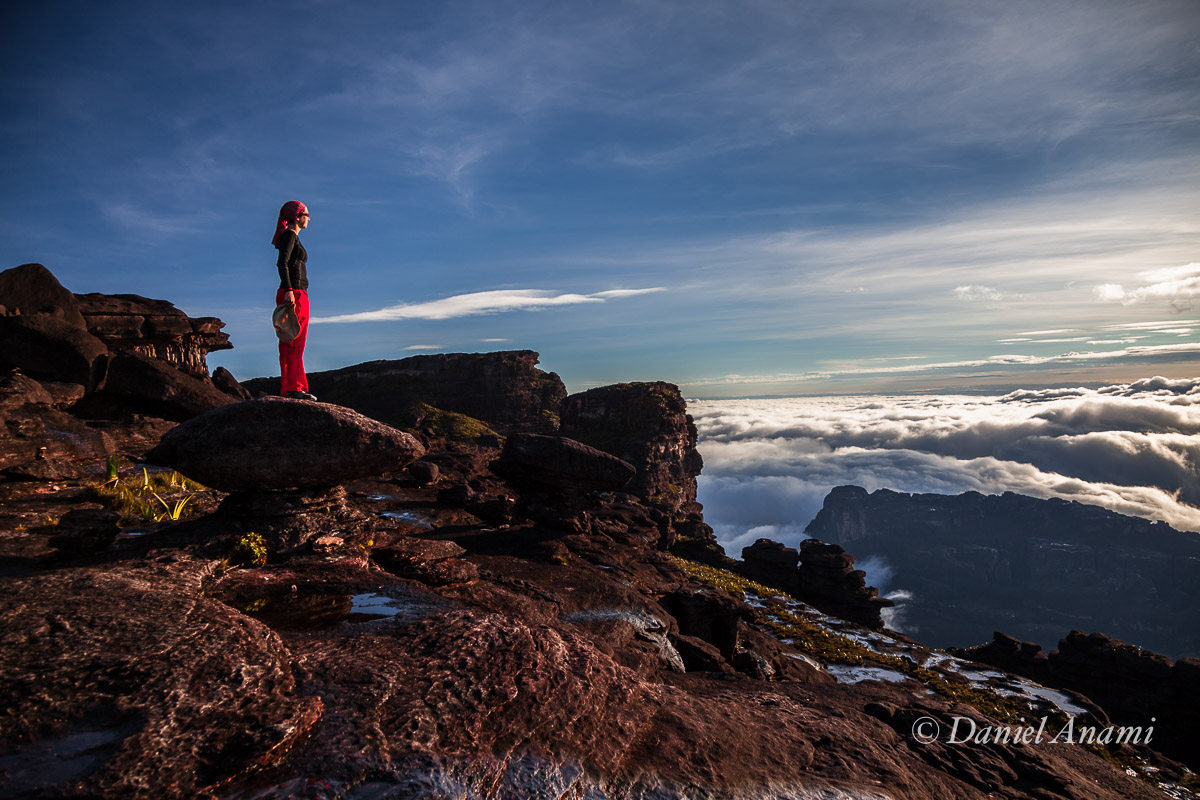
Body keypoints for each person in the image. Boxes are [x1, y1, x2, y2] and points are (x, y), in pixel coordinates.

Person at [271, 200, 317, 400]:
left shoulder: (291, 237)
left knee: (294, 342)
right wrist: (289, 289)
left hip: (298, 292)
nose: (308, 218)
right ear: (297, 216)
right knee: (294, 342)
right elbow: (282, 263)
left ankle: (294, 387)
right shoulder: (289, 236)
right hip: (294, 293)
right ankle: (294, 389)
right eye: (306, 214)